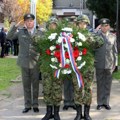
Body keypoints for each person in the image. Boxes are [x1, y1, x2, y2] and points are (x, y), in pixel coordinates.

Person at [6, 13, 42, 113]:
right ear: (25, 22)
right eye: (27, 21)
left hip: (35, 62)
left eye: (30, 21)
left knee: (35, 85)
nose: (29, 22)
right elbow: (9, 36)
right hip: (24, 62)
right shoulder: (21, 32)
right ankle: (27, 105)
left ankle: (35, 104)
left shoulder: (40, 33)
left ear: (33, 22)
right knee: (26, 85)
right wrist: (15, 26)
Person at [73, 14, 104, 120]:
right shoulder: (72, 35)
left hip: (88, 66)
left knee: (88, 89)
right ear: (77, 24)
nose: (82, 25)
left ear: (87, 24)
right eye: (80, 23)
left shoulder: (91, 34)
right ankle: (78, 114)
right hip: (76, 66)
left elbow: (100, 42)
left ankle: (86, 113)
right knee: (77, 89)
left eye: (84, 23)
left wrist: (90, 40)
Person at [94, 18, 118, 110]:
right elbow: (93, 50)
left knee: (108, 84)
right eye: (102, 26)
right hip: (99, 63)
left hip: (109, 64)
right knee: (100, 84)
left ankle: (106, 102)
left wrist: (115, 64)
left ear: (109, 26)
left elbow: (115, 52)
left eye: (106, 25)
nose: (104, 27)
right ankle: (100, 103)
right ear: (100, 27)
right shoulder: (96, 36)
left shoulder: (113, 36)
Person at [41, 17, 62, 120]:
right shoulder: (43, 36)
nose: (52, 26)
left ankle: (57, 113)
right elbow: (37, 43)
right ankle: (49, 112)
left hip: (57, 68)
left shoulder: (62, 37)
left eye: (54, 24)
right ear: (48, 26)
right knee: (47, 89)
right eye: (51, 25)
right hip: (46, 67)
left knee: (57, 89)